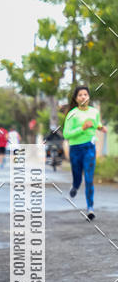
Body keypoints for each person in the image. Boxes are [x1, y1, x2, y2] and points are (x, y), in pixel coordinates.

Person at [64, 85, 107, 220]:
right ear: (76, 99)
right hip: (76, 149)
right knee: (78, 176)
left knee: (89, 179)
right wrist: (82, 128)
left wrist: (101, 127)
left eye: (86, 94)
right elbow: (66, 134)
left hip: (89, 147)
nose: (83, 97)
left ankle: (90, 208)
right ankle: (75, 186)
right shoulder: (72, 114)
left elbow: (96, 123)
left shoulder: (94, 112)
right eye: (80, 95)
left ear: (89, 97)